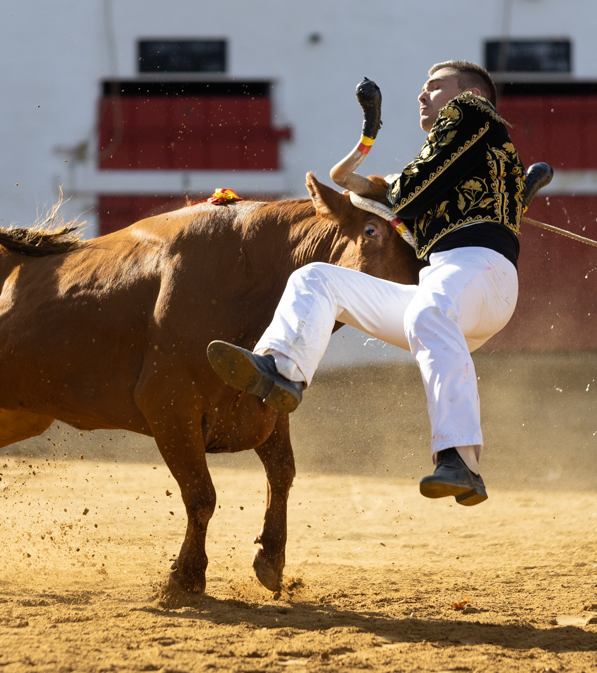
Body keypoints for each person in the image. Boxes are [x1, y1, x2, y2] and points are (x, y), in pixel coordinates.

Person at [208, 60, 526, 506]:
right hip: (445, 292)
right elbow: (392, 193)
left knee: (429, 310)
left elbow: (408, 195)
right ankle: (282, 369)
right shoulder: (459, 151)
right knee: (317, 279)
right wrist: (382, 190)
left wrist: (389, 192)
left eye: (434, 87)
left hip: (480, 272)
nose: (422, 94)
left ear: (468, 94)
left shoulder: (472, 115)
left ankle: (462, 460)